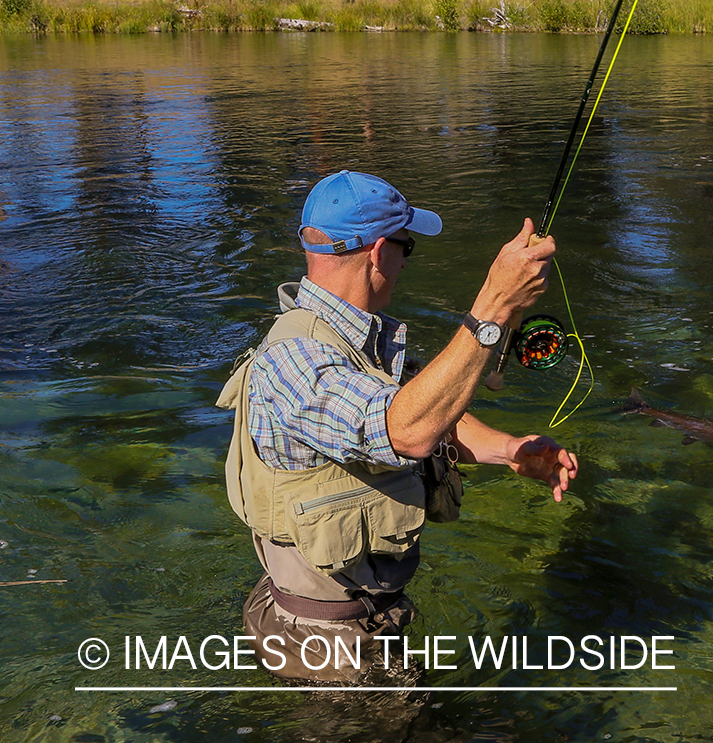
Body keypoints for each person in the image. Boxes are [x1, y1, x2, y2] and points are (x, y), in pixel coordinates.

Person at [216, 169, 579, 684]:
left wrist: (511, 449)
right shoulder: (295, 361)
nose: (406, 263)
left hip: (346, 623)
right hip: (324, 645)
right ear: (379, 250)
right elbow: (404, 431)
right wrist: (494, 307)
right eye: (408, 248)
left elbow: (420, 410)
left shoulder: (358, 341)